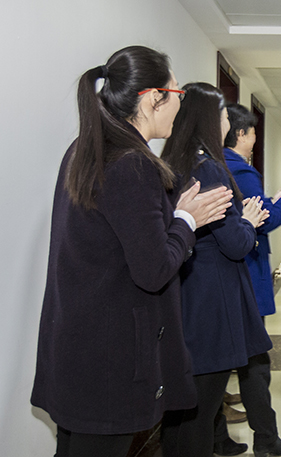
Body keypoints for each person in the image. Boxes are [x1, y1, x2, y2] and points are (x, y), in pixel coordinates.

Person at [30, 47, 233, 457]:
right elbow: (153, 269)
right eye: (176, 93)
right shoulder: (132, 164)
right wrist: (187, 220)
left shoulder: (87, 148)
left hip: (79, 343)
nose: (180, 104)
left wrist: (175, 216)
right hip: (111, 357)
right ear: (153, 97)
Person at [159, 82, 281, 457]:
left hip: (187, 292)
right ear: (208, 120)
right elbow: (235, 244)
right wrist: (248, 220)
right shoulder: (210, 169)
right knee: (199, 413)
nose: (227, 124)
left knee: (184, 410)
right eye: (222, 116)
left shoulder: (174, 163)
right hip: (214, 300)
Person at [223, 103, 281, 318]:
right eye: (253, 134)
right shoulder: (241, 171)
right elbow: (265, 219)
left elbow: (249, 209)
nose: (254, 141)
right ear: (241, 134)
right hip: (246, 265)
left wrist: (274, 200)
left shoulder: (221, 163)